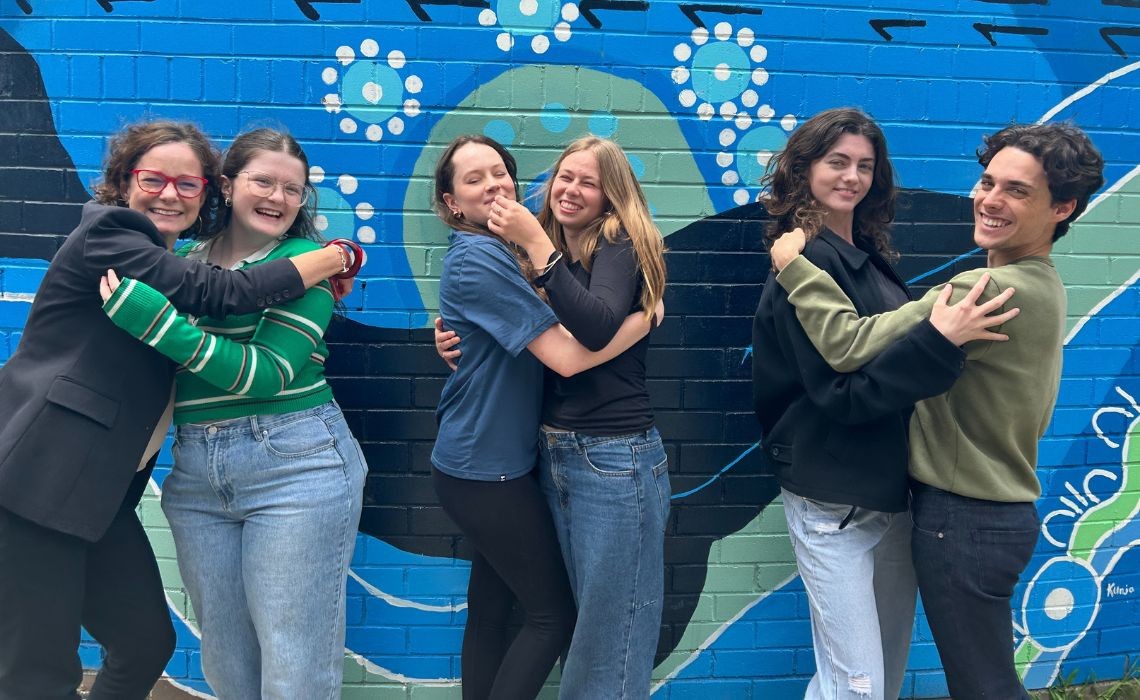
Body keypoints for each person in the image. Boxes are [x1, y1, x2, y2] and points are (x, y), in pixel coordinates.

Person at [0, 120, 351, 699]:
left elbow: (245, 339)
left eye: (188, 185)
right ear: (123, 181)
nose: (170, 194)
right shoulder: (112, 233)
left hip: (103, 495)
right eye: (154, 179)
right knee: (39, 675)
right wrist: (333, 256)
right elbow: (223, 293)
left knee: (144, 646)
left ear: (208, 193)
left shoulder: (172, 259)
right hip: (42, 480)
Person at [768, 122, 1105, 698]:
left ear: (1063, 208)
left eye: (1017, 191)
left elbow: (848, 344)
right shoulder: (1042, 283)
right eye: (987, 181)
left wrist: (794, 267)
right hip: (993, 515)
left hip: (965, 519)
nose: (989, 199)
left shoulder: (987, 290)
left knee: (983, 685)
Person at [749, 107, 1013, 700]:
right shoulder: (806, 265)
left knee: (878, 679)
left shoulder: (865, 257)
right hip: (833, 498)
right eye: (837, 162)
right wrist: (941, 346)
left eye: (865, 166)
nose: (852, 177)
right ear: (804, 167)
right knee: (858, 685)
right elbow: (843, 392)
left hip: (890, 494)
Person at [98, 128, 367, 697]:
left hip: (298, 465)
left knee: (294, 666)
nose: (277, 197)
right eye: (262, 181)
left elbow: (265, 374)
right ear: (227, 184)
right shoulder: (186, 260)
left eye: (292, 190)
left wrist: (165, 328)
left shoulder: (309, 262)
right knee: (227, 664)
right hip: (196, 473)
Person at [429, 134, 661, 699]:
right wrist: (642, 321)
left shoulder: (513, 252)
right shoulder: (490, 254)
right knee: (551, 618)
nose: (494, 185)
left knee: (491, 611)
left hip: (499, 460)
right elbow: (565, 356)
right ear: (451, 203)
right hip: (490, 468)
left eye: (500, 173)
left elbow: (501, 325)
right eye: (474, 178)